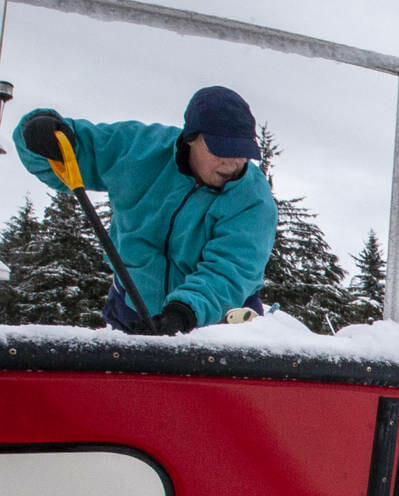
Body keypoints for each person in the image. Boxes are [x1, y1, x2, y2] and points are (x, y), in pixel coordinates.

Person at [12, 87, 276, 335]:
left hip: (216, 323)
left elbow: (229, 270)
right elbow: (72, 150)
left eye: (242, 152)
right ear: (191, 138)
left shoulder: (252, 199)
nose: (232, 162)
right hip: (132, 309)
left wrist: (183, 312)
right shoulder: (137, 151)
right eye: (221, 150)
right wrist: (38, 131)